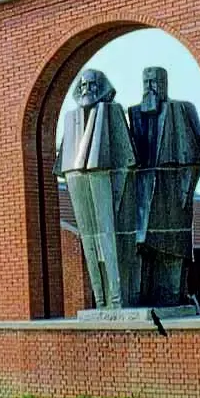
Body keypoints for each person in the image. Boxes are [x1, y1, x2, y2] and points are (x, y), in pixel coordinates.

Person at [55, 69, 140, 309]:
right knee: (89, 236)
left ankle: (116, 299)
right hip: (75, 173)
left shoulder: (111, 111)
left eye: (91, 85)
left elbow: (126, 158)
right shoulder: (71, 117)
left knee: (107, 234)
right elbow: (65, 157)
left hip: (102, 171)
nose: (86, 90)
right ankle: (101, 299)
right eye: (81, 85)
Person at [128, 67, 200, 306]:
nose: (150, 86)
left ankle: (171, 296)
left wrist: (186, 188)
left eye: (154, 81)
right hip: (142, 191)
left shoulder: (181, 109)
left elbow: (196, 155)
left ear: (164, 83)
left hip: (173, 188)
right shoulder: (134, 114)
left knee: (172, 248)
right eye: (146, 81)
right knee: (142, 247)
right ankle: (146, 296)